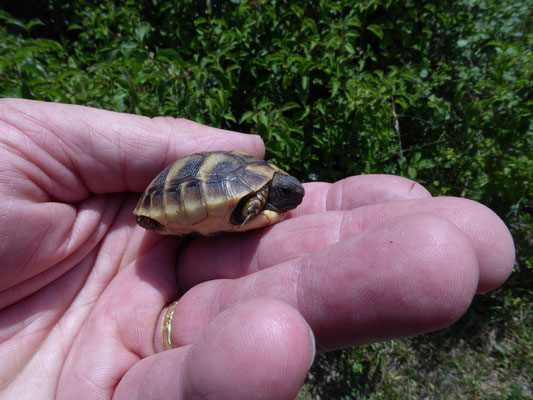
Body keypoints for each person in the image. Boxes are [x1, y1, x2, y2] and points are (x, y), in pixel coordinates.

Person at [0, 99, 515, 399]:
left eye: (288, 194)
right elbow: (235, 203)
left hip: (186, 223)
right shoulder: (248, 190)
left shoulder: (273, 195)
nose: (291, 198)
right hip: (166, 204)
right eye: (285, 194)